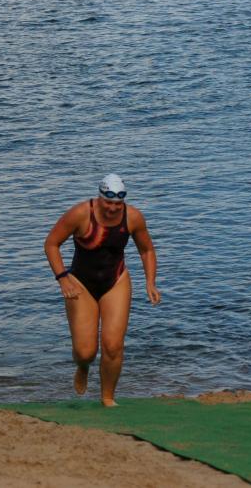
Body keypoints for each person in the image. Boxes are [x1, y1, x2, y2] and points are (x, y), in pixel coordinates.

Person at [44, 173, 160, 407]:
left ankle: (107, 397)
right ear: (99, 197)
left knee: (113, 345)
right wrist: (63, 279)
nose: (113, 208)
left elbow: (146, 250)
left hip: (116, 282)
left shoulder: (133, 217)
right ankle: (83, 366)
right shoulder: (80, 214)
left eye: (118, 204)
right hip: (80, 283)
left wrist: (150, 282)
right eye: (108, 202)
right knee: (85, 351)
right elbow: (51, 244)